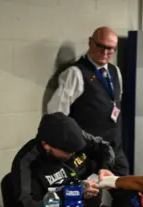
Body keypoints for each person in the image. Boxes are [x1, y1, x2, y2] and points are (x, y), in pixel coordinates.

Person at [47, 27, 127, 171]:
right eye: (100, 46)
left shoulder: (115, 72)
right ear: (91, 42)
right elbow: (56, 115)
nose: (105, 52)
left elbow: (116, 101)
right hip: (88, 152)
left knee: (127, 189)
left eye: (110, 49)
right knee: (92, 192)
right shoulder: (75, 73)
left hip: (114, 148)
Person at [9, 112, 115, 207]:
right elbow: (29, 205)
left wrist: (105, 168)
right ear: (46, 145)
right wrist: (71, 192)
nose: (72, 154)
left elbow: (104, 147)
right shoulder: (26, 163)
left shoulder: (77, 138)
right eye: (67, 151)